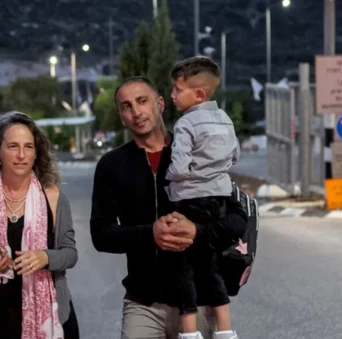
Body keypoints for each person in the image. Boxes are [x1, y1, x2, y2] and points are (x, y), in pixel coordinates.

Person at [90, 76, 248, 339]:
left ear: (160, 104)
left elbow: (238, 218)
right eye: (127, 106)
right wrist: (150, 233)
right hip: (144, 304)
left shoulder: (196, 153)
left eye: (142, 101)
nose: (136, 112)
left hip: (198, 301)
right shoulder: (111, 165)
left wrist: (197, 231)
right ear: (121, 116)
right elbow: (101, 234)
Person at [0, 112, 80, 339]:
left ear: (36, 153)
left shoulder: (53, 196)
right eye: (13, 146)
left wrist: (45, 257)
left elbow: (70, 253)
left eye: (29, 147)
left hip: (50, 319)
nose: (21, 155)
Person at [165, 56, 240, 339]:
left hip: (190, 202)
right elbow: (235, 156)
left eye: (176, 89)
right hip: (219, 200)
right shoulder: (225, 119)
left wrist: (170, 177)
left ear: (198, 94)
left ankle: (189, 333)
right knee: (211, 268)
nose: (172, 95)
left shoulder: (186, 124)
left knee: (183, 268)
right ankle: (225, 331)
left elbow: (181, 167)